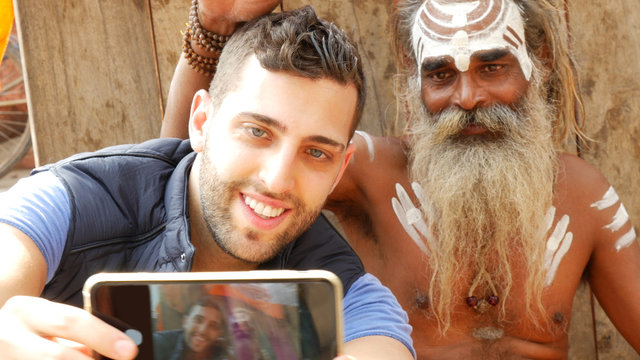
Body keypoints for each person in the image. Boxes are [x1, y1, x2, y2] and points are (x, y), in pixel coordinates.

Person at [159, 0, 640, 358]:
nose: (467, 96)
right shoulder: (371, 173)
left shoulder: (586, 198)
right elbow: (191, 175)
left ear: (538, 64)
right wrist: (210, 29)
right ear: (415, 81)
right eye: (441, 74)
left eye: (493, 67)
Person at [0, 6, 416, 360]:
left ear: (339, 171)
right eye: (257, 132)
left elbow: (380, 344)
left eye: (316, 153)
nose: (276, 179)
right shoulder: (70, 201)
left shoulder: (348, 294)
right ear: (201, 123)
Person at [153, 296, 230, 360]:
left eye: (213, 326)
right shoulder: (158, 344)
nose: (203, 330)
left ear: (219, 334)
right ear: (185, 322)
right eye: (198, 320)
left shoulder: (224, 355)